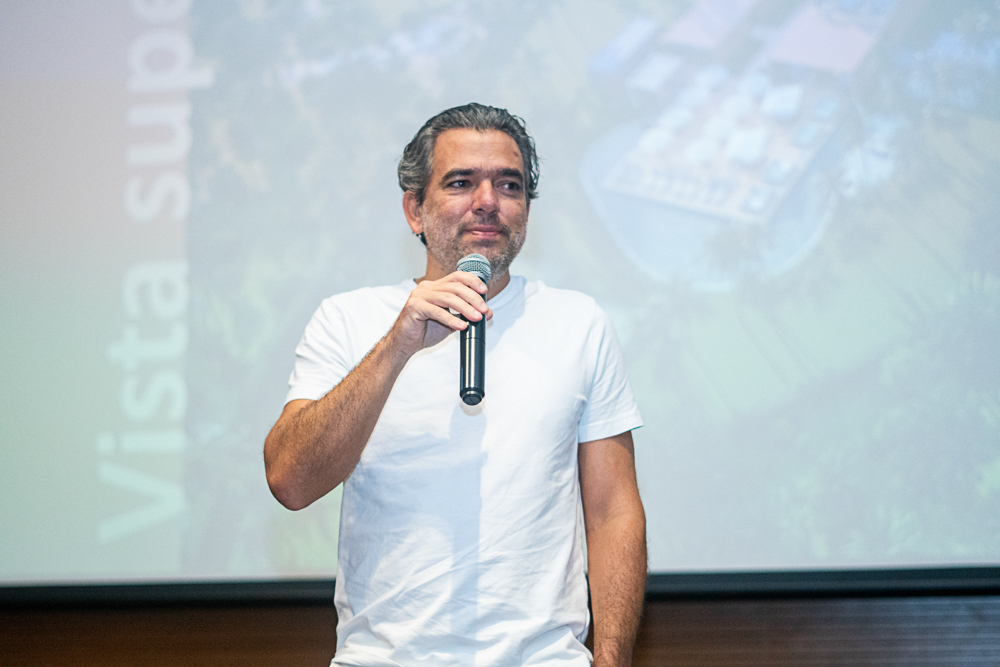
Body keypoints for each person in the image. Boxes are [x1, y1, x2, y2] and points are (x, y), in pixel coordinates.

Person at [264, 103, 646, 667]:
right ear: (414, 209)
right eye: (461, 182)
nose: (488, 200)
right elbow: (291, 482)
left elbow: (614, 511)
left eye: (509, 185)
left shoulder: (579, 323)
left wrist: (611, 661)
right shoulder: (348, 320)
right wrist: (398, 344)